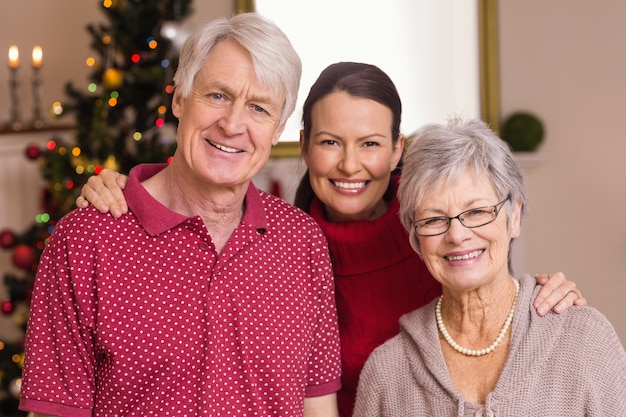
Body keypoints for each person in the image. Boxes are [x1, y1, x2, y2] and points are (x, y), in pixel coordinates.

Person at [76, 63, 586, 417]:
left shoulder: (437, 237)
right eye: (329, 143)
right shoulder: (280, 247)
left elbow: (493, 311)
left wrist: (545, 294)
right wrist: (125, 186)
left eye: (369, 144)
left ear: (396, 150)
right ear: (303, 146)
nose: (349, 164)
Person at [19, 13, 341, 417]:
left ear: (277, 129)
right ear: (179, 98)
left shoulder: (302, 242)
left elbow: (317, 406)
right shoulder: (86, 240)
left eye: (259, 108)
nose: (233, 123)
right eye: (218, 95)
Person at [353, 117, 626, 416]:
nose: (457, 235)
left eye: (477, 212)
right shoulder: (387, 372)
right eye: (433, 219)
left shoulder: (585, 338)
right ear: (415, 237)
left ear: (515, 216)